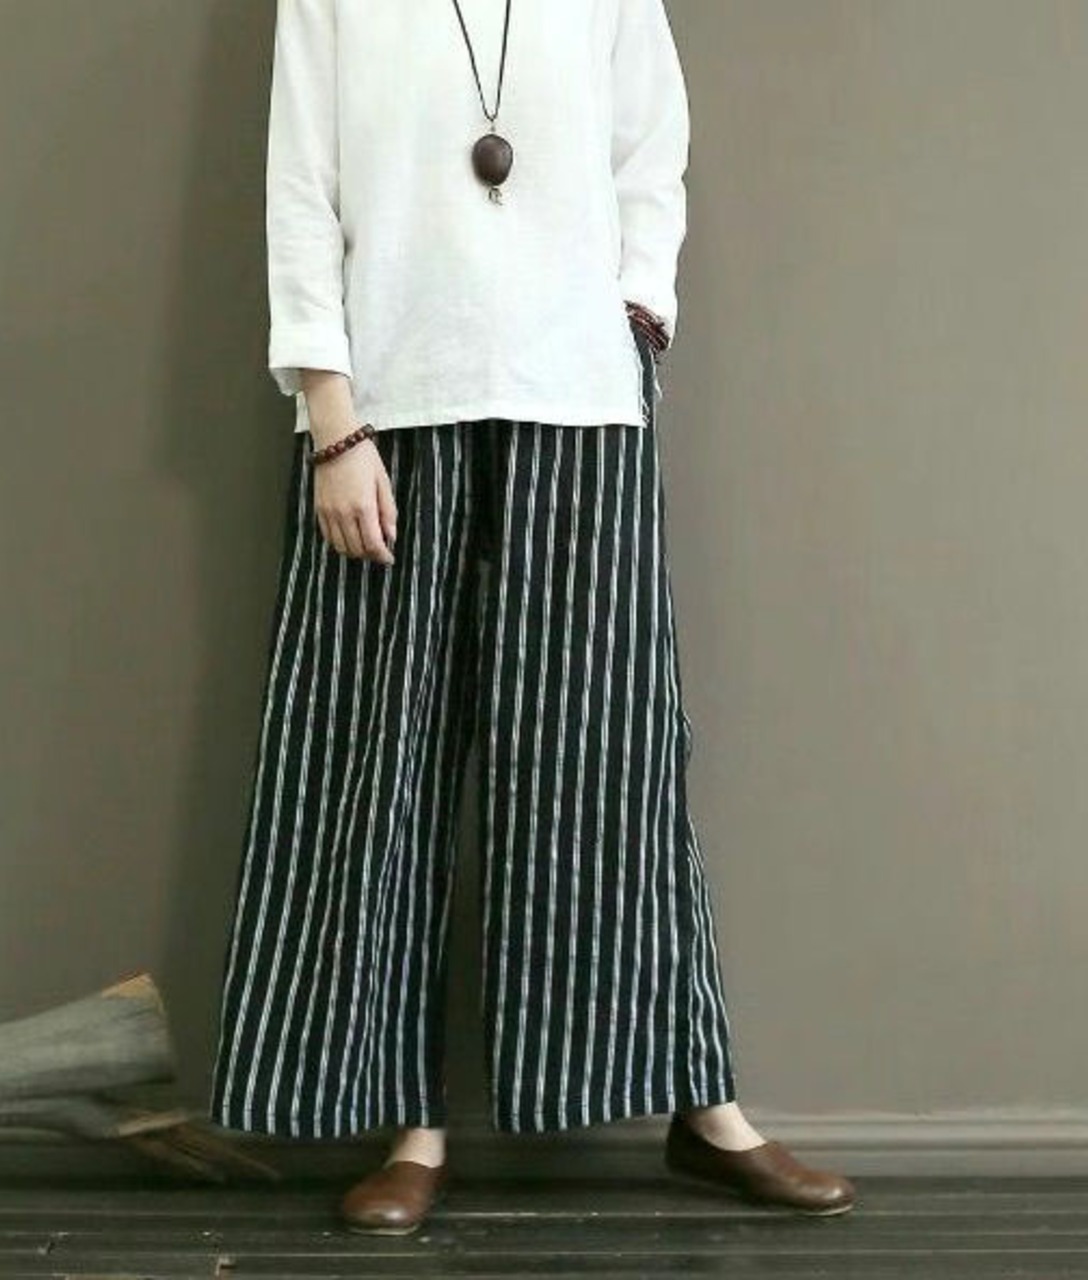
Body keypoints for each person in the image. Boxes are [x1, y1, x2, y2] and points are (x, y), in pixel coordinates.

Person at [208, 0, 856, 1235]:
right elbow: (300, 187)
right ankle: (408, 1123)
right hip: (388, 409)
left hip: (581, 400)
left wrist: (635, 315)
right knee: (379, 765)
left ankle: (703, 1107)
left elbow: (649, 146)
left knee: (611, 763)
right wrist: (329, 419)